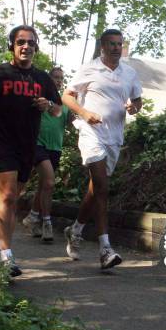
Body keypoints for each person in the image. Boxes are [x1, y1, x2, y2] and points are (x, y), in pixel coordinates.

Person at [0, 25, 62, 277]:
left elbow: (57, 109)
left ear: (36, 47)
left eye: (30, 42)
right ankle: (6, 256)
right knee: (7, 195)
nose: (25, 46)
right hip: (1, 141)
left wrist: (47, 103)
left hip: (27, 144)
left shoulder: (42, 79)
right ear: (12, 45)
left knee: (12, 198)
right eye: (20, 42)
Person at [62, 28, 142, 269]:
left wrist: (134, 108)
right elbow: (67, 96)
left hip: (114, 136)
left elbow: (137, 100)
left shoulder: (129, 73)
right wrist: (85, 113)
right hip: (91, 133)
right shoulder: (90, 68)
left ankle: (75, 230)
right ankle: (105, 248)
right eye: (112, 44)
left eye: (120, 44)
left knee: (96, 188)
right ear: (103, 47)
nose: (117, 47)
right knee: (103, 186)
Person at [21, 67, 72, 243]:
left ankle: (32, 218)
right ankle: (46, 222)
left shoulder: (64, 102)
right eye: (55, 77)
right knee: (49, 182)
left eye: (61, 78)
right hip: (37, 144)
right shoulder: (40, 97)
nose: (58, 81)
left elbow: (71, 124)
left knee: (44, 185)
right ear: (48, 79)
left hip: (55, 147)